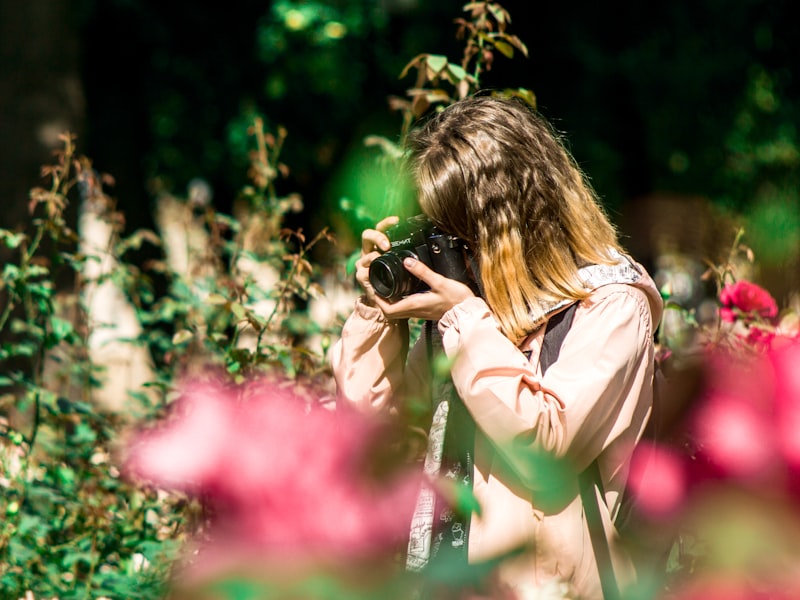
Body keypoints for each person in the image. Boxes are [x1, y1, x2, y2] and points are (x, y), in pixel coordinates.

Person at [331, 94, 663, 600]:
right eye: (430, 229)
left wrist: (463, 318)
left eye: (453, 232)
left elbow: (548, 446)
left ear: (508, 222)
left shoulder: (611, 303)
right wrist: (379, 309)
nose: (445, 248)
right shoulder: (470, 308)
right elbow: (378, 423)